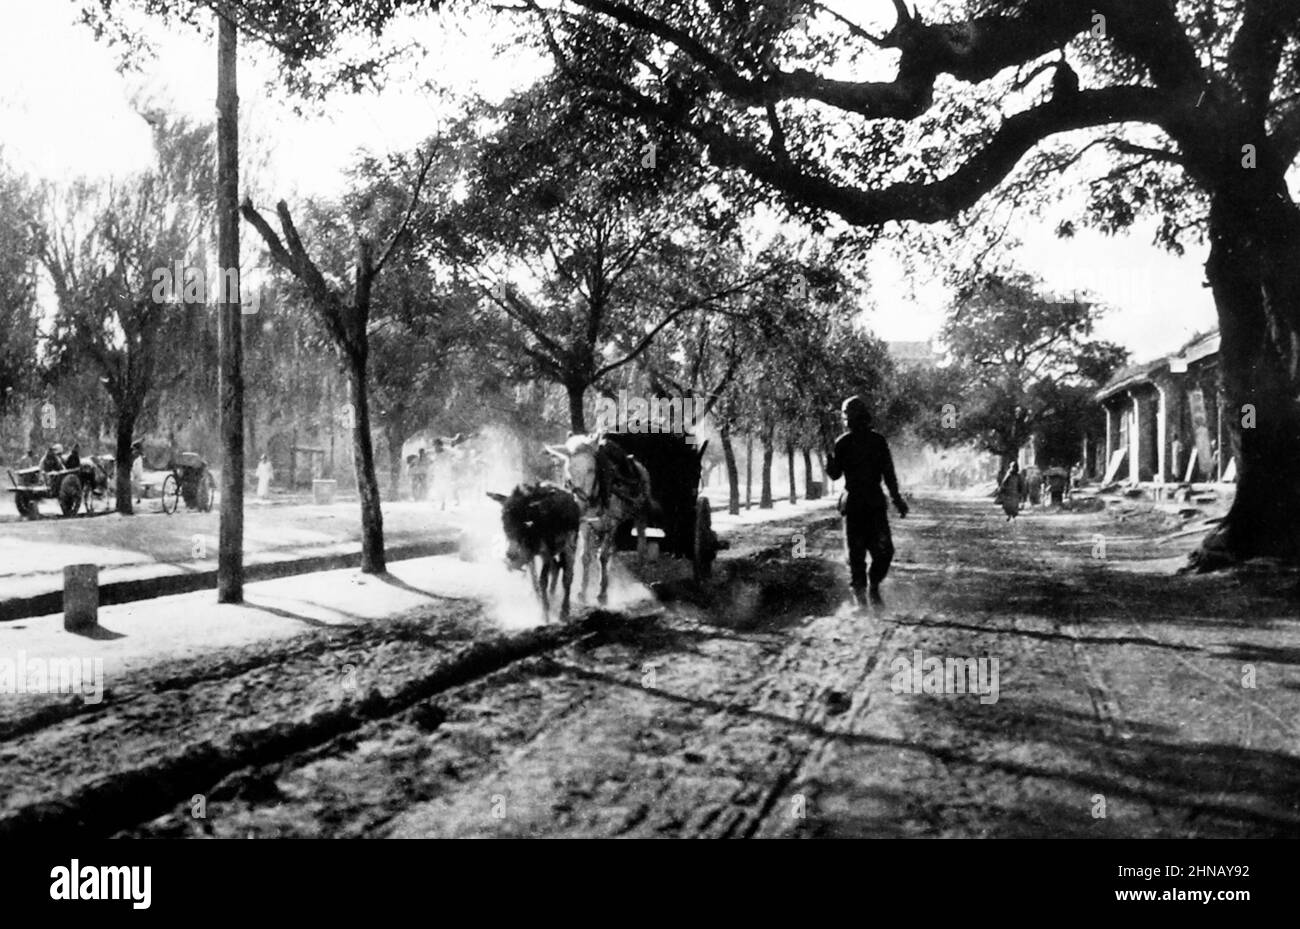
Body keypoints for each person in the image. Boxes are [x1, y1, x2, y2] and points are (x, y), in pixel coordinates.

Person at [825, 396, 908, 609]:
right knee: (858, 554)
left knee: (882, 552)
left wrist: (897, 499)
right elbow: (835, 475)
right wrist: (830, 459)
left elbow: (888, 474)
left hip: (870, 502)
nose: (851, 420)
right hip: (857, 503)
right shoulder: (843, 443)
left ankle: (871, 588)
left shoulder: (876, 441)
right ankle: (861, 600)